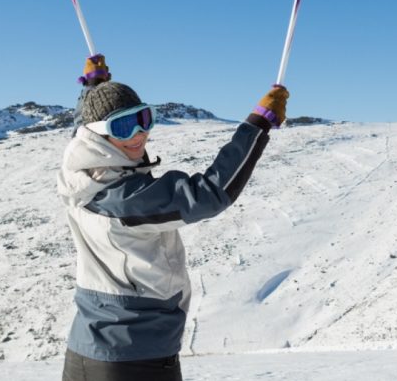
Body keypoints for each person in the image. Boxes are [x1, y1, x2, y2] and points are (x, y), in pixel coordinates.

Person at [58, 54, 289, 381]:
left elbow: (86, 122)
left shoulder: (77, 171)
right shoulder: (125, 198)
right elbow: (209, 194)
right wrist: (259, 123)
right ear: (97, 135)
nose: (139, 134)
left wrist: (95, 86)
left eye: (143, 118)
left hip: (85, 351)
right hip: (134, 358)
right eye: (124, 127)